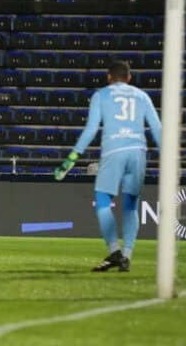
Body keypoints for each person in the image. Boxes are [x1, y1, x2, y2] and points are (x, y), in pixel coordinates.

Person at [55, 60, 161, 272]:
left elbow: (91, 129)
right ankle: (127, 256)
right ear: (129, 78)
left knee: (103, 200)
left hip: (114, 150)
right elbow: (157, 128)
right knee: (131, 206)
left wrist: (72, 158)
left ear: (108, 77)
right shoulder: (142, 96)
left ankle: (115, 251)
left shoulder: (101, 95)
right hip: (138, 152)